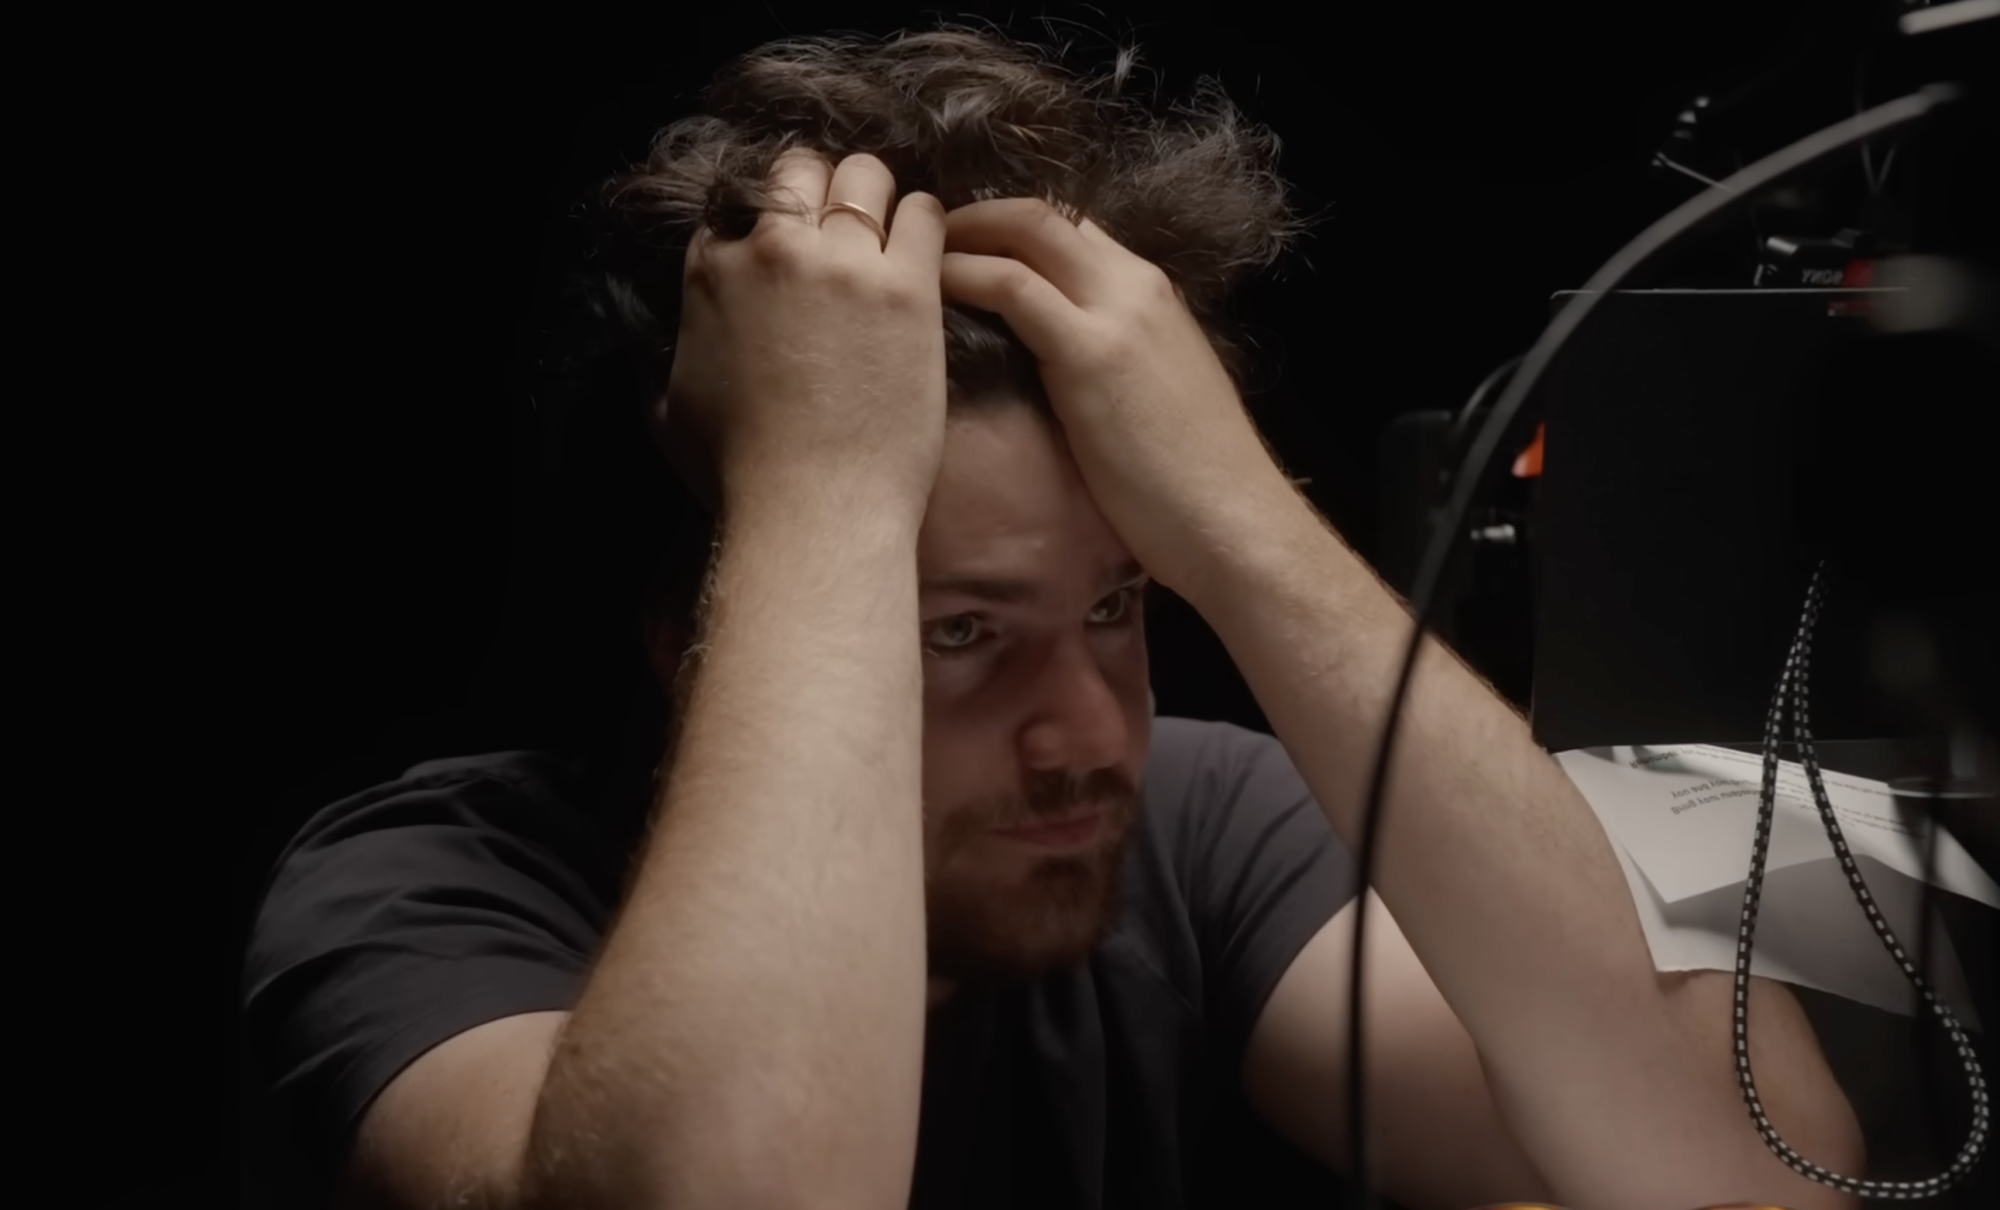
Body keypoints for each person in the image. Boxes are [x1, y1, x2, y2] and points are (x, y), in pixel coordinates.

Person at [241, 28, 1866, 1210]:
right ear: (696, 638)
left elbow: (1746, 1166)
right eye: (961, 630)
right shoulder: (427, 896)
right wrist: (823, 488)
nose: (1090, 730)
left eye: (1117, 606)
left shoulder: (1192, 829)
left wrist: (1234, 522)